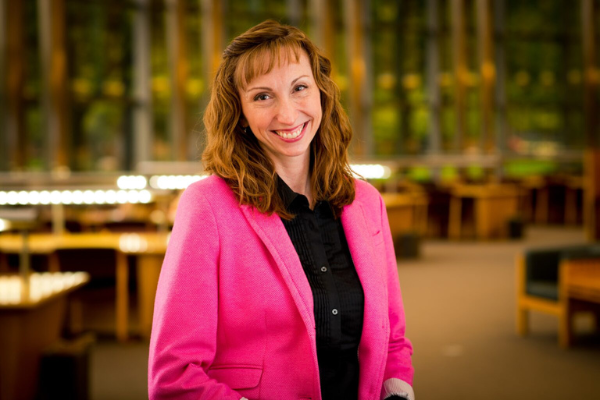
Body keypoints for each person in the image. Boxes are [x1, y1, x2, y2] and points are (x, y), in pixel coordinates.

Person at [148, 20, 414, 400]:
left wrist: (397, 390)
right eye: (262, 96)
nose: (288, 115)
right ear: (238, 111)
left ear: (321, 93)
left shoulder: (367, 203)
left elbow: (392, 340)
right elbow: (174, 376)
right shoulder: (206, 206)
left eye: (299, 88)